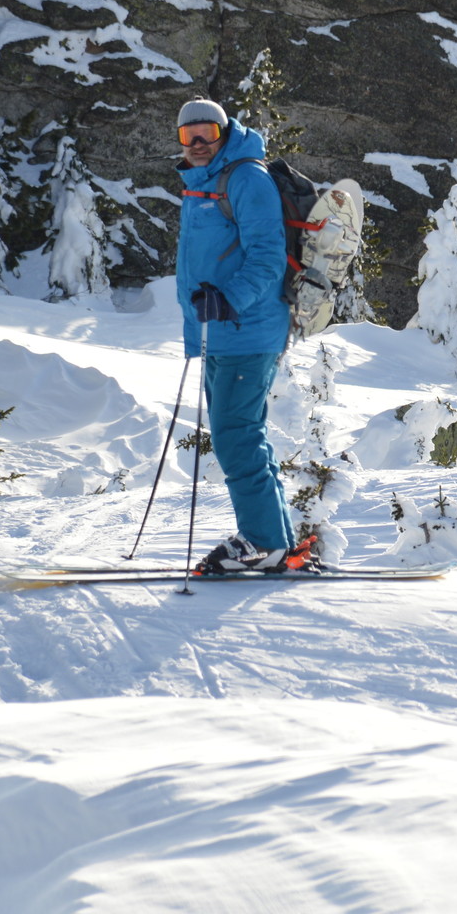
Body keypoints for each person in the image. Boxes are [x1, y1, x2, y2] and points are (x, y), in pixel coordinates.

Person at [174, 97, 311, 573]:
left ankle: (264, 543)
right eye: (186, 135)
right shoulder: (203, 183)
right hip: (219, 333)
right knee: (242, 435)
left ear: (224, 132)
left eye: (206, 132)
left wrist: (229, 299)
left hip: (247, 331)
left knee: (235, 439)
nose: (195, 143)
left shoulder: (246, 178)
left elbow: (268, 257)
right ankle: (276, 543)